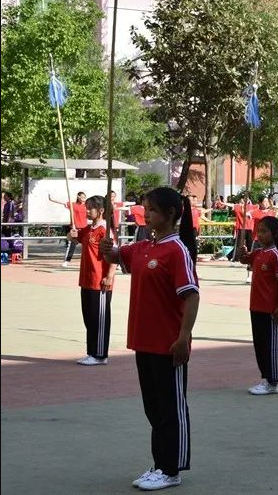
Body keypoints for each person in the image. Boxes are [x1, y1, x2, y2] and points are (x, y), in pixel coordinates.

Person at [99, 187, 199, 491]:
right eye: (145, 209)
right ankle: (160, 464)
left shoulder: (176, 250)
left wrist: (184, 337)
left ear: (169, 214)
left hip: (168, 342)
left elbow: (191, 296)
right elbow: (116, 254)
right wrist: (108, 242)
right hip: (143, 340)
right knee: (153, 408)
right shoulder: (144, 247)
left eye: (152, 210)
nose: (146, 214)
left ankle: (171, 469)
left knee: (171, 408)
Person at [236, 216, 278, 395]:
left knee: (271, 344)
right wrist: (242, 253)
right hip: (256, 306)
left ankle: (272, 381)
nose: (260, 235)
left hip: (270, 308)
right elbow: (244, 260)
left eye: (264, 231)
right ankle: (265, 377)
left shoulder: (275, 255)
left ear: (275, 234)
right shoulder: (258, 253)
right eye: (259, 231)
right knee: (260, 344)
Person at [71, 195, 115, 365]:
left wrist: (109, 276)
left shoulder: (105, 230)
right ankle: (92, 352)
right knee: (89, 317)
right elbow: (74, 238)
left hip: (100, 281)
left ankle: (100, 355)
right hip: (86, 280)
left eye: (90, 208)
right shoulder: (89, 229)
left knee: (100, 318)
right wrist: (72, 234)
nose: (87, 211)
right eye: (86, 208)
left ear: (101, 210)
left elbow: (113, 254)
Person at [49, 191, 87, 267]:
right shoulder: (73, 205)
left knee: (87, 245)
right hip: (75, 228)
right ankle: (67, 261)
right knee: (72, 245)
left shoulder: (87, 205)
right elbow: (61, 202)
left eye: (84, 197)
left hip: (84, 228)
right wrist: (51, 199)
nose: (83, 199)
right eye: (82, 197)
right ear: (78, 197)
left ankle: (87, 261)